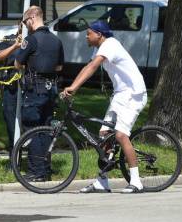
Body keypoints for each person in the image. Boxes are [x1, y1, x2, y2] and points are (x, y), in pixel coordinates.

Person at [62, 20, 147, 194]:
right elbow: (88, 66)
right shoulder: (100, 47)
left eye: (88, 33)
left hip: (134, 94)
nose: (86, 36)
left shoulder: (110, 45)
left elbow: (93, 66)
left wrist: (74, 87)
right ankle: (102, 182)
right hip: (121, 94)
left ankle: (136, 181)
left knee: (121, 135)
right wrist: (73, 86)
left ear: (99, 34)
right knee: (104, 136)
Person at [15, 6, 64, 182]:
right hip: (51, 90)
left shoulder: (32, 39)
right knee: (47, 129)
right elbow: (59, 67)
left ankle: (36, 171)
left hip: (34, 90)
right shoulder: (55, 40)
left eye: (25, 21)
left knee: (33, 130)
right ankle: (46, 169)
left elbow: (17, 63)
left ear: (32, 18)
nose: (25, 24)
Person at [0, 29, 23, 153]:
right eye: (22, 22)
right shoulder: (9, 39)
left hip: (30, 87)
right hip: (10, 87)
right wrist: (15, 45)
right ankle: (14, 155)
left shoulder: (36, 39)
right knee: (10, 119)